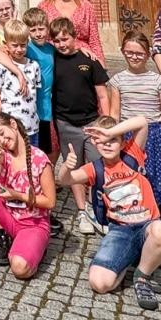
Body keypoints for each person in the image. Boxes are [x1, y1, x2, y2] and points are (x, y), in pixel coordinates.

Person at [62, 116, 161, 309]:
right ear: (95, 144)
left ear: (122, 142)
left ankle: (141, 277)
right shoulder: (94, 169)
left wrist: (109, 132)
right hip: (120, 230)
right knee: (99, 283)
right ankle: (132, 257)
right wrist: (66, 166)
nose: (107, 144)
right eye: (102, 142)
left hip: (148, 225)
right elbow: (65, 180)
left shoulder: (132, 155)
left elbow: (142, 122)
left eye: (112, 140)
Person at [107, 29, 161, 218]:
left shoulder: (158, 81)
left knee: (157, 181)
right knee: (130, 179)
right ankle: (133, 219)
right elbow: (115, 113)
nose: (134, 57)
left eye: (139, 53)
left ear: (148, 54)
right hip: (128, 135)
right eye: (130, 52)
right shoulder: (118, 80)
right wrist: (111, 137)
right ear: (123, 52)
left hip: (155, 135)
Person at [0, 113, 54, 280]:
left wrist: (17, 195)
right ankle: (1, 235)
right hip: (7, 218)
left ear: (13, 125)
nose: (2, 141)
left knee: (19, 268)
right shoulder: (4, 155)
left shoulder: (39, 159)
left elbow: (50, 202)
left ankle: (34, 248)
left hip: (32, 223)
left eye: (2, 133)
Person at [48, 16, 110, 234]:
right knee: (74, 166)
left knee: (96, 166)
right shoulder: (52, 59)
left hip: (92, 122)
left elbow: (102, 94)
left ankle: (97, 208)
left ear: (75, 37)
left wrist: (107, 122)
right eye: (57, 41)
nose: (62, 44)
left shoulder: (88, 59)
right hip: (66, 123)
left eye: (65, 39)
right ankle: (82, 210)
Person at [0, 21, 42, 138]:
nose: (19, 49)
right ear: (5, 44)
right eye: (15, 45)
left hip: (32, 126)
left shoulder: (34, 66)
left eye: (23, 45)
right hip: (10, 126)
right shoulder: (1, 67)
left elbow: (36, 94)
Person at [38, 0, 103, 60]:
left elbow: (94, 40)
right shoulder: (43, 7)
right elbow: (40, 37)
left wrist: (101, 65)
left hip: (83, 57)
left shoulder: (86, 7)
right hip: (54, 58)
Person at [21, 8, 56, 155]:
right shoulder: (26, 49)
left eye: (41, 29)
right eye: (33, 30)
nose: (38, 33)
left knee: (45, 149)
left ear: (47, 28)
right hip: (31, 106)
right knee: (30, 148)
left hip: (47, 105)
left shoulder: (51, 49)